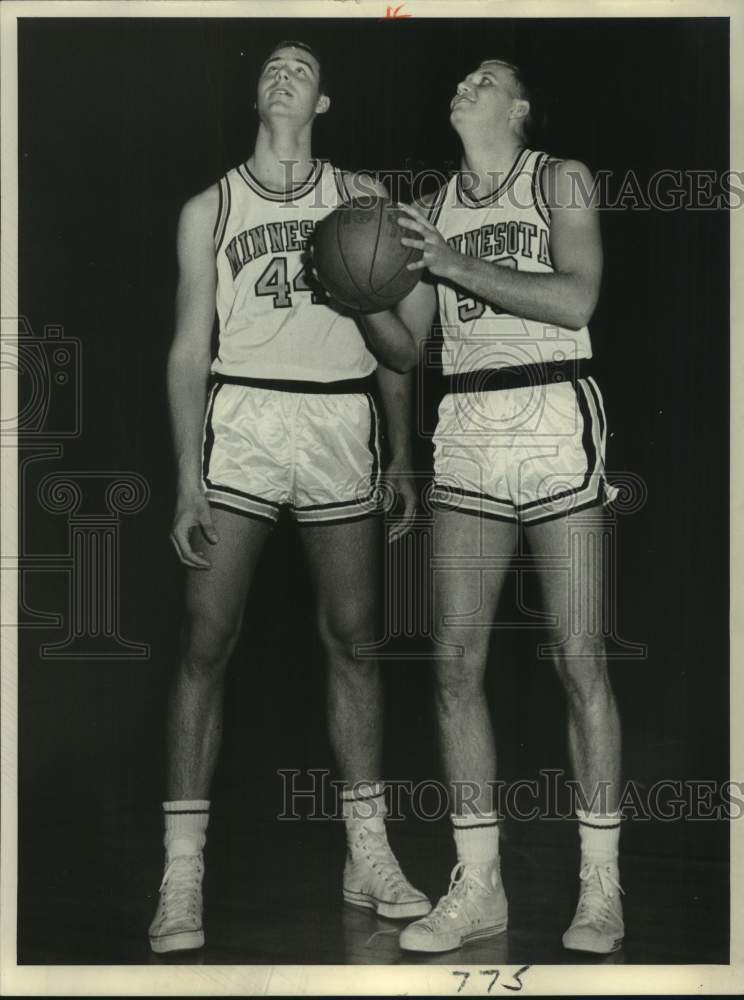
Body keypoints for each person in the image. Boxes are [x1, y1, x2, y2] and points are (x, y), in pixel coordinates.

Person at [148, 40, 431, 955]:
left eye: (301, 66)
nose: (282, 72)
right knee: (206, 639)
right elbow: (190, 348)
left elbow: (399, 350)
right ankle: (181, 872)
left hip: (338, 421)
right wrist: (187, 478)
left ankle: (368, 853)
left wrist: (399, 454)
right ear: (254, 93)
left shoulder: (365, 204)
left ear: (325, 100)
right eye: (270, 63)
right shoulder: (210, 206)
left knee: (355, 639)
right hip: (246, 422)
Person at [392, 58, 624, 955]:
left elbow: (577, 297)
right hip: (468, 423)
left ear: (520, 107)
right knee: (451, 661)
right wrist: (363, 294)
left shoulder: (559, 178)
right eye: (457, 75)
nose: (462, 82)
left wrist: (448, 262)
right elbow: (409, 345)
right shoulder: (429, 207)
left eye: (485, 77)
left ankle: (600, 886)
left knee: (578, 658)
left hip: (555, 408)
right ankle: (478, 885)